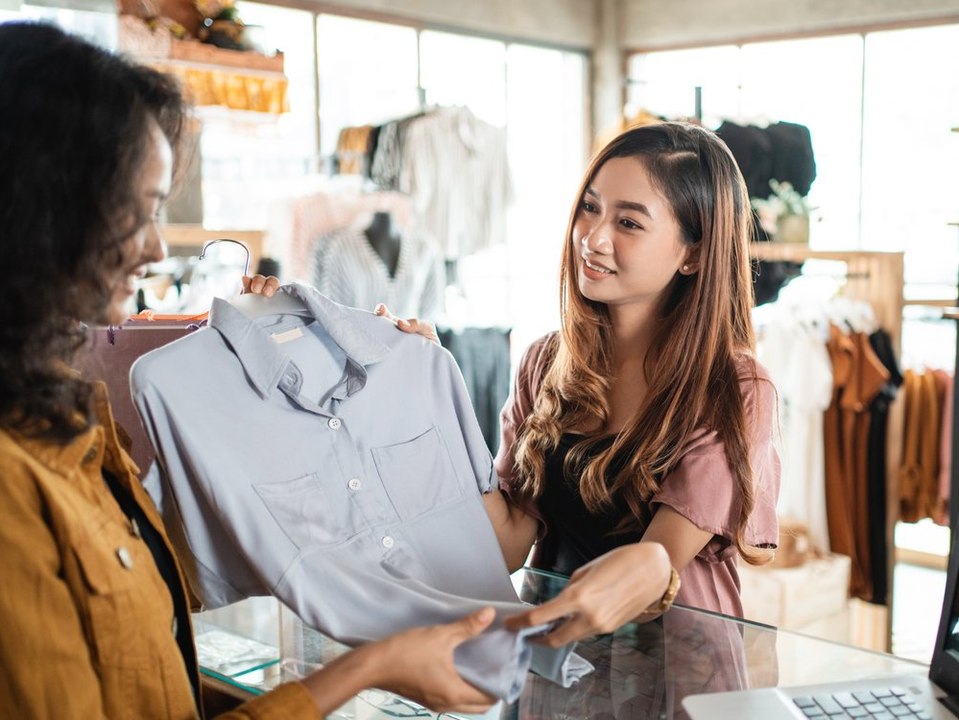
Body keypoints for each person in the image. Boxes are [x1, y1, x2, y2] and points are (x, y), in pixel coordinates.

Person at [0, 22, 495, 718]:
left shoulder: (77, 439)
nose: (151, 248)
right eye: (135, 212)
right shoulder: (17, 486)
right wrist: (368, 668)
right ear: (41, 211)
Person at [365, 121, 781, 647]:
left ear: (693, 254)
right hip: (555, 661)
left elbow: (654, 566)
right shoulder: (546, 362)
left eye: (629, 222)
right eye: (590, 207)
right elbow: (510, 541)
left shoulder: (733, 387)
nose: (593, 237)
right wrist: (430, 395)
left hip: (675, 666)